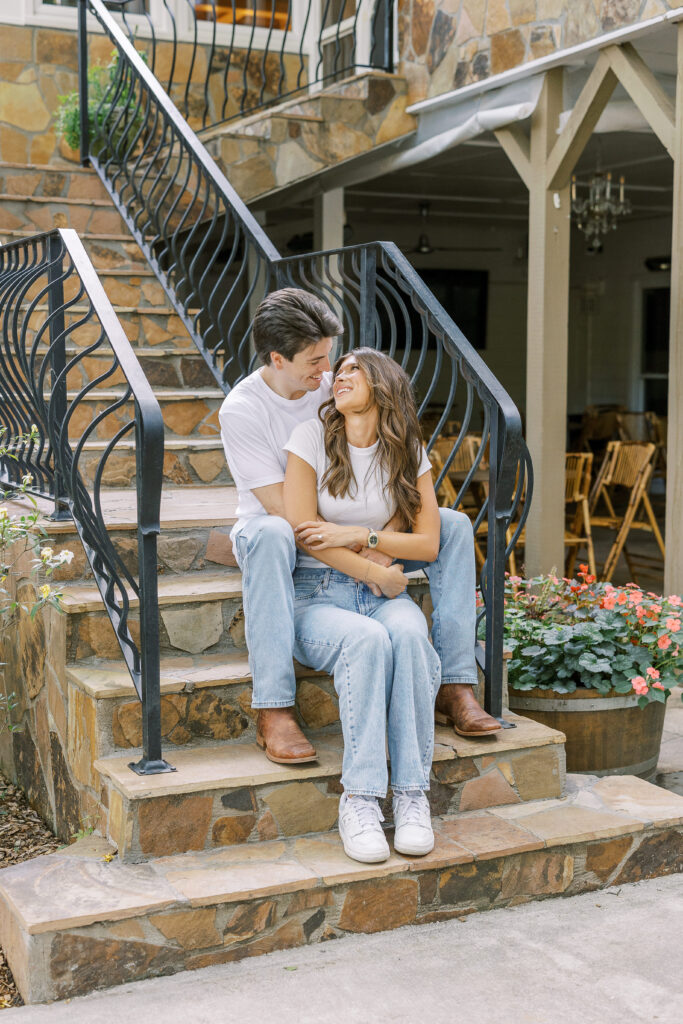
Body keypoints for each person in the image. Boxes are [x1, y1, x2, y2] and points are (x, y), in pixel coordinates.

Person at [218, 287, 499, 768]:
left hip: (353, 534)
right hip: (283, 536)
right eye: (315, 361)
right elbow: (293, 516)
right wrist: (369, 570)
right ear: (277, 359)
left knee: (451, 524)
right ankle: (274, 707)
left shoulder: (331, 386)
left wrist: (378, 540)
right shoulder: (243, 410)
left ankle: (454, 684)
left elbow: (392, 468)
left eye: (331, 359)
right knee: (270, 535)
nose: (327, 372)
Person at [283, 348, 443, 862]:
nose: (339, 376)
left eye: (354, 369)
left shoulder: (409, 450)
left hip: (378, 593)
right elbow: (307, 536)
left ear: (384, 384)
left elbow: (428, 545)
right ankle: (362, 798)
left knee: (412, 633)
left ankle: (412, 793)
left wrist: (361, 534)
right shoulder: (311, 438)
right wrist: (377, 568)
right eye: (339, 370)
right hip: (317, 593)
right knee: (369, 640)